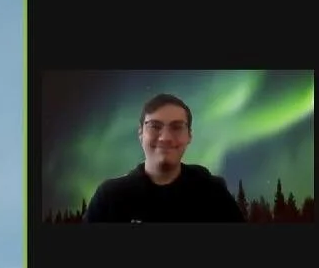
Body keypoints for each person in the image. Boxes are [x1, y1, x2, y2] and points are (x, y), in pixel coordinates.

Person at [83, 93, 245, 222]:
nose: (165, 137)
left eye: (176, 127)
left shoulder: (213, 193)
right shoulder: (109, 198)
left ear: (189, 136)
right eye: (154, 126)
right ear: (141, 133)